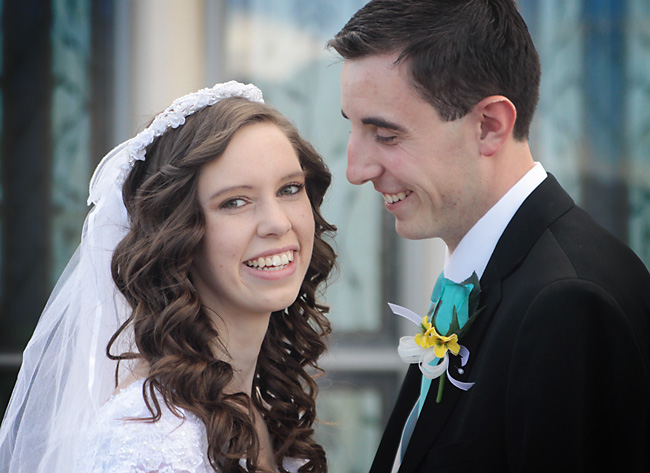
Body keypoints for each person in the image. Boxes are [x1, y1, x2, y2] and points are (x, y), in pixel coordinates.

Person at [328, 1, 650, 472]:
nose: (356, 170)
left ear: (489, 126)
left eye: (386, 135)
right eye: (352, 128)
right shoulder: (502, 273)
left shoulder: (568, 305)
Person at [0, 81, 337, 473]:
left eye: (290, 189)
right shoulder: (151, 439)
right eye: (235, 201)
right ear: (178, 234)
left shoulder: (261, 405)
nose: (277, 224)